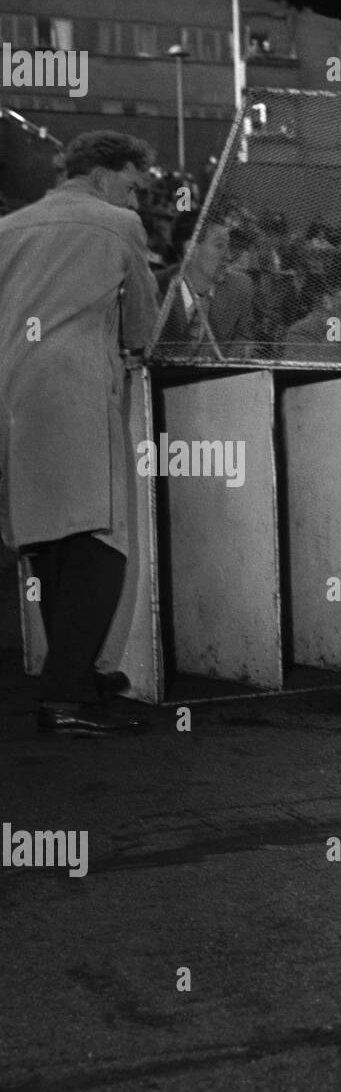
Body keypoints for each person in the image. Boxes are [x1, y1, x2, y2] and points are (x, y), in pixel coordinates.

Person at [0, 130, 159, 735]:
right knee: (101, 544)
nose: (135, 200)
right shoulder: (115, 223)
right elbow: (142, 320)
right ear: (101, 178)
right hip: (74, 394)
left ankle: (77, 676)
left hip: (13, 397)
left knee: (48, 539)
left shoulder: (11, 227)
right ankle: (64, 699)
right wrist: (136, 346)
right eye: (130, 185)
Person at [156, 218, 255, 360]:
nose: (228, 256)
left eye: (229, 247)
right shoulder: (157, 287)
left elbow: (244, 340)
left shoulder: (240, 288)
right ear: (191, 250)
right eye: (219, 246)